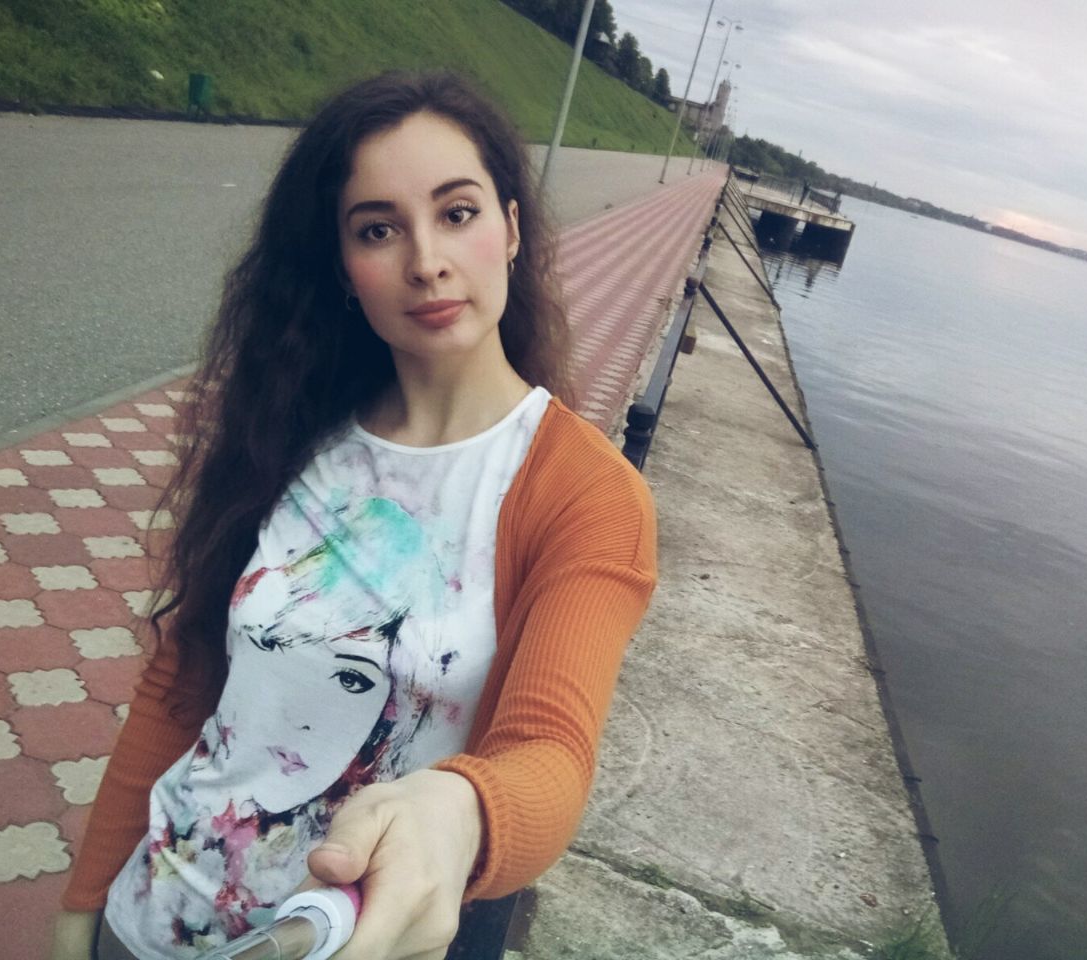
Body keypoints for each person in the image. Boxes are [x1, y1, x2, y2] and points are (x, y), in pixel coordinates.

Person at [51, 70, 657, 960]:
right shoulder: (297, 430)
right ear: (344, 267)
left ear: (513, 228)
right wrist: (81, 905)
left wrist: (457, 812)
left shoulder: (581, 492)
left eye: (458, 213)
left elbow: (550, 752)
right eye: (379, 229)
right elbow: (183, 680)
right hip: (143, 920)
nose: (426, 260)